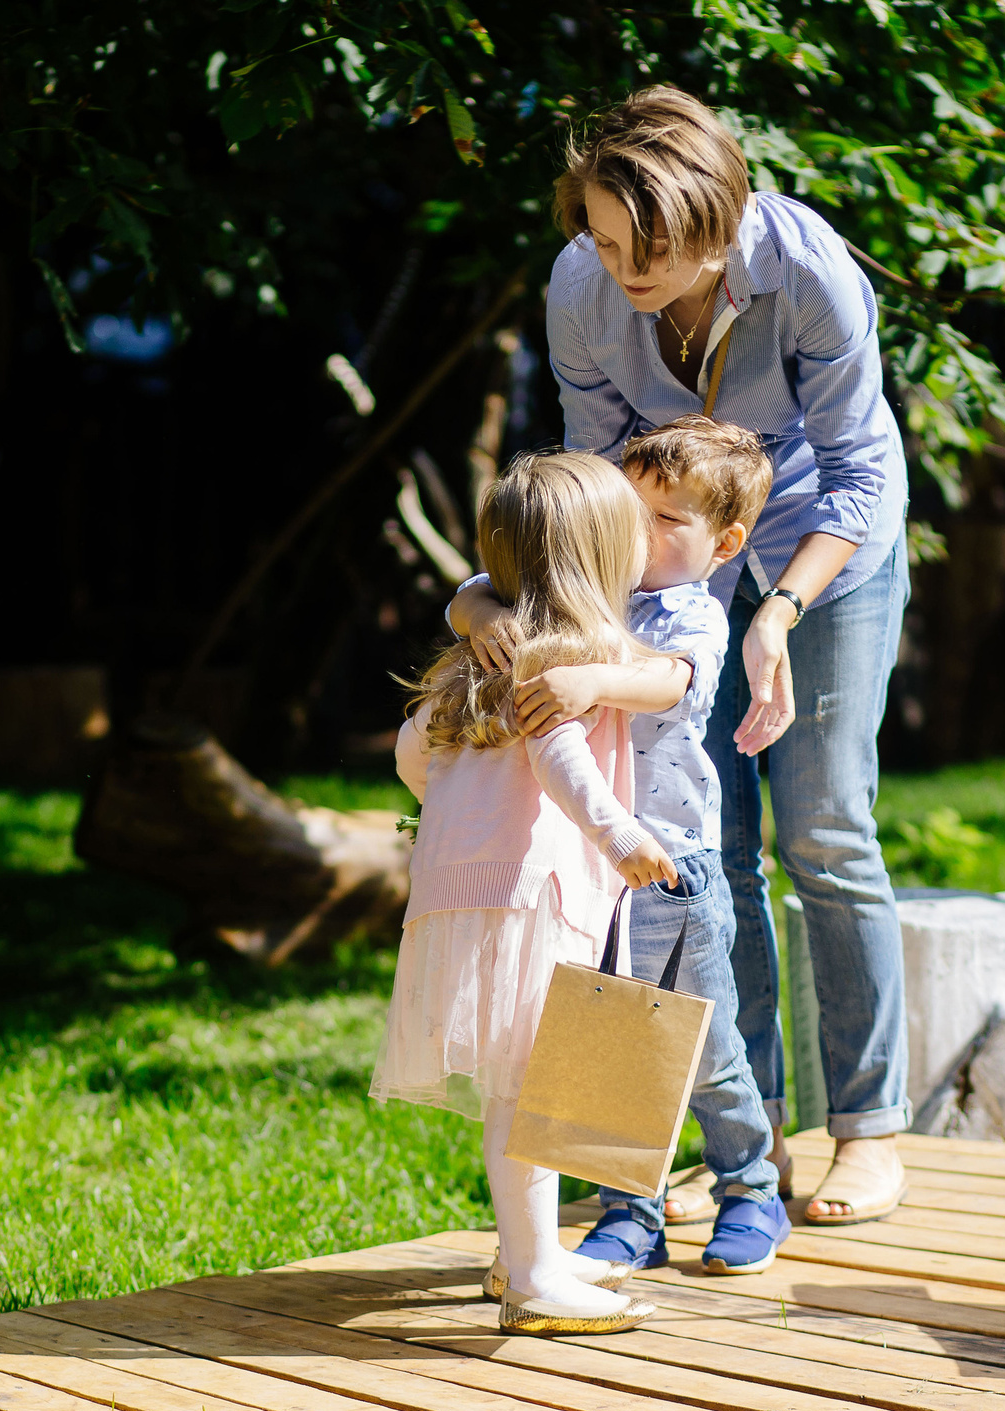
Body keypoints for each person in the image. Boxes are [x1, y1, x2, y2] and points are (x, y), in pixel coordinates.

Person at [452, 86, 914, 1226]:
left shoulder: (806, 270)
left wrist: (777, 611)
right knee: (696, 843)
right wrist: (543, 611)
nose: (619, 267)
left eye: (645, 246)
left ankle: (865, 1128)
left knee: (822, 825)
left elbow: (861, 471)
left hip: (823, 546)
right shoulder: (581, 285)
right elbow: (595, 481)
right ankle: (731, 1131)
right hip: (664, 565)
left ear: (716, 224)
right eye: (604, 240)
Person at [455, 417, 790, 1280]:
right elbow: (466, 593)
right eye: (628, 510)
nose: (638, 534)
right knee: (602, 1047)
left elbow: (668, 682)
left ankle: (750, 1188)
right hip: (584, 865)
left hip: (669, 864)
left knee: (699, 1048)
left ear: (725, 542)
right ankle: (631, 1214)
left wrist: (591, 679)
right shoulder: (595, 586)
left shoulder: (693, 613)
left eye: (666, 520)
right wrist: (486, 612)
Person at [375, 450, 680, 1332]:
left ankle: (523, 1257)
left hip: (465, 885)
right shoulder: (572, 656)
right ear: (602, 556)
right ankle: (538, 1272)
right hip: (538, 890)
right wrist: (618, 833)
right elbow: (560, 757)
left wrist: (455, 811)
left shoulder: (473, 656)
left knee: (522, 1084)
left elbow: (411, 754)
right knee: (532, 1090)